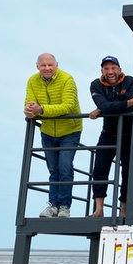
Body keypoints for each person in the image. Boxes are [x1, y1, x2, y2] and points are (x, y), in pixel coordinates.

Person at [89, 55, 133, 217]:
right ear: (102, 70)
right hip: (108, 134)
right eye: (106, 68)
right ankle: (99, 209)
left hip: (129, 134)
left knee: (128, 171)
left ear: (120, 69)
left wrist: (105, 108)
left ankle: (123, 209)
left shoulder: (131, 81)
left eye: (113, 68)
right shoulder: (95, 85)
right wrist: (128, 103)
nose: (110, 71)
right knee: (99, 170)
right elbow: (108, 105)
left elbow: (108, 106)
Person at [24, 53, 83, 218]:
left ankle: (64, 206)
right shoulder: (32, 81)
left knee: (64, 166)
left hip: (70, 130)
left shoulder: (67, 79)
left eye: (50, 65)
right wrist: (29, 111)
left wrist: (41, 110)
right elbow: (30, 103)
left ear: (57, 65)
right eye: (43, 65)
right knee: (53, 169)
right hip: (48, 131)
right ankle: (53, 205)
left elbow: (68, 106)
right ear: (37, 67)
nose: (47, 68)